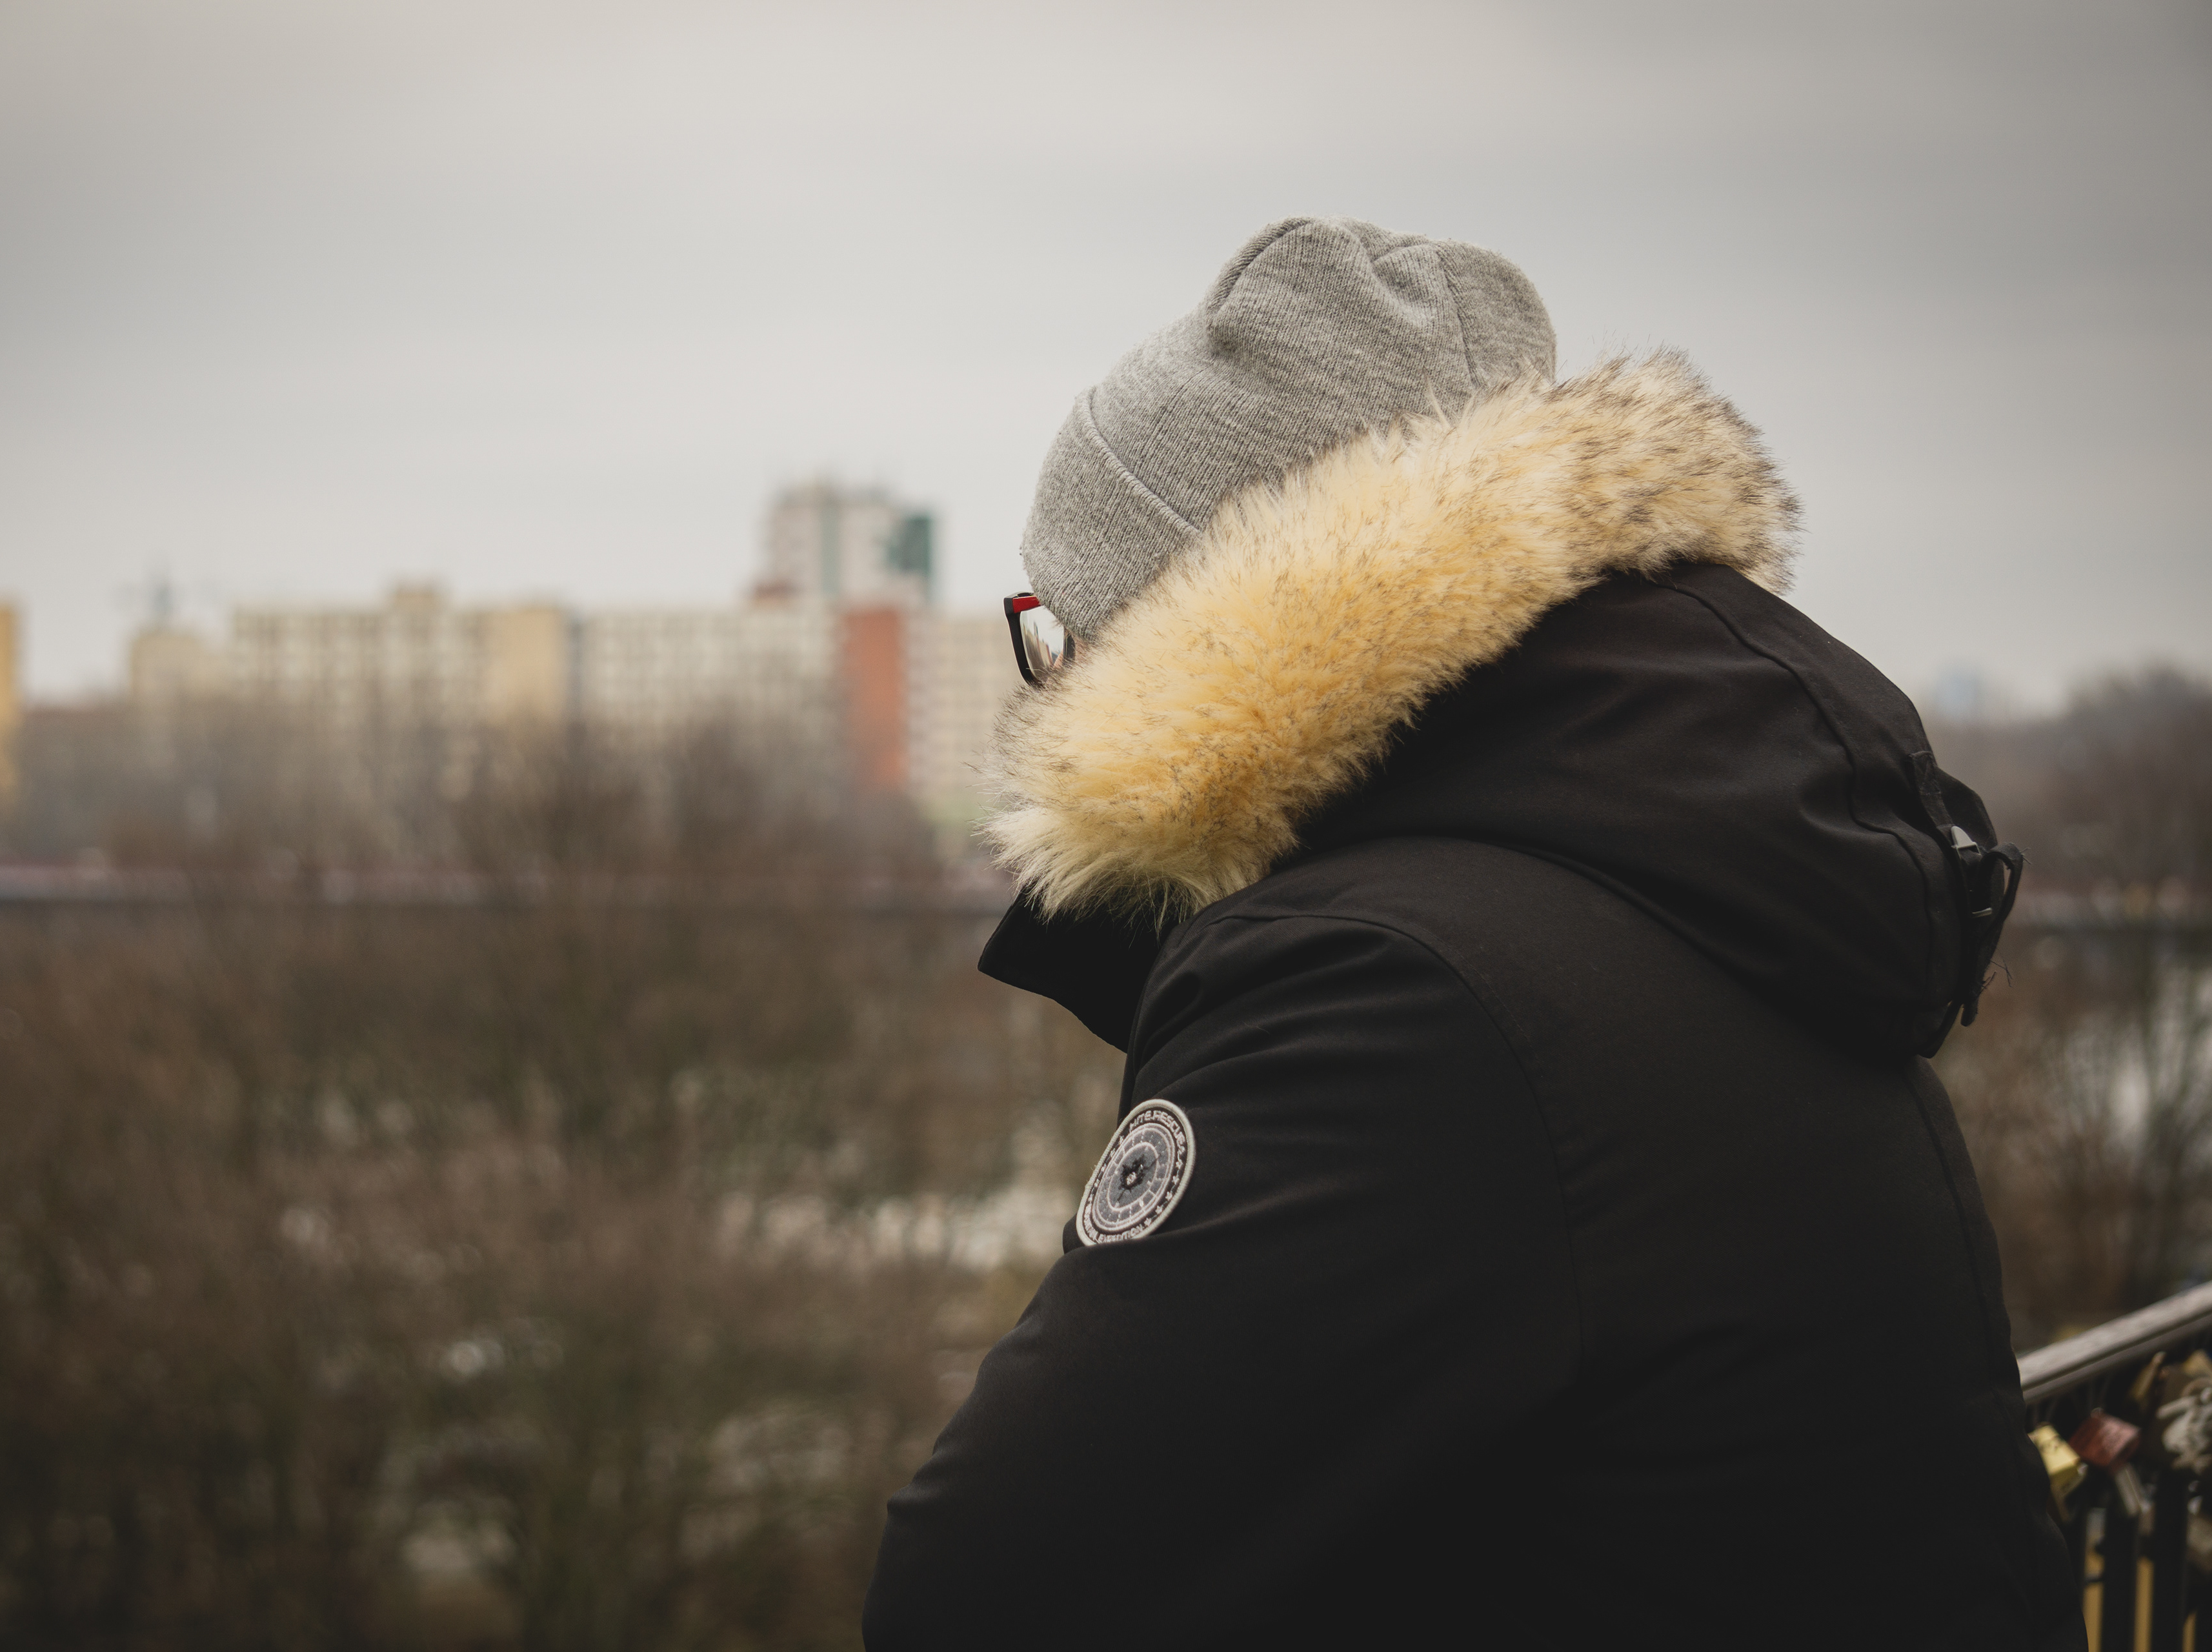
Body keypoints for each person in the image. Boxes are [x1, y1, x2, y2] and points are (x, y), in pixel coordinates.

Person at [861, 218, 2078, 1650]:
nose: (1049, 682)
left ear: (1177, 639)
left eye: (1056, 628)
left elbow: (987, 1591)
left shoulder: (1391, 989)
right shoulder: (1708, 880)